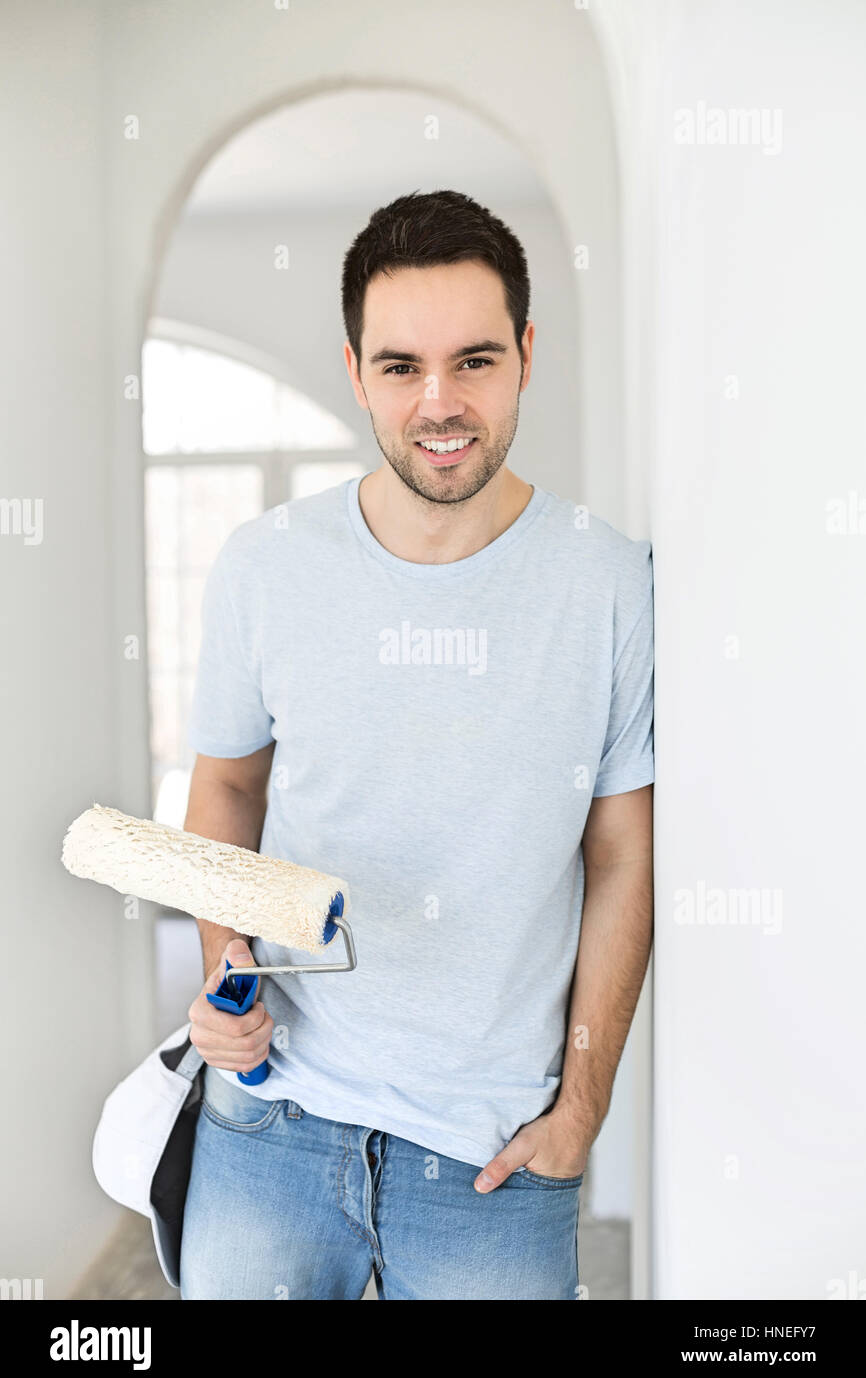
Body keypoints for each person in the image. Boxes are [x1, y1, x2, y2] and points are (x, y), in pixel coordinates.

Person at [179, 189, 654, 1301]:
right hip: (273, 1131)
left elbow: (620, 854)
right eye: (399, 367)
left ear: (526, 356)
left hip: (491, 1157)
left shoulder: (606, 582)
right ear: (354, 372)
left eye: (473, 360)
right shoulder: (264, 567)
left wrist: (580, 1107)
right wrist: (224, 965)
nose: (438, 403)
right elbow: (227, 786)